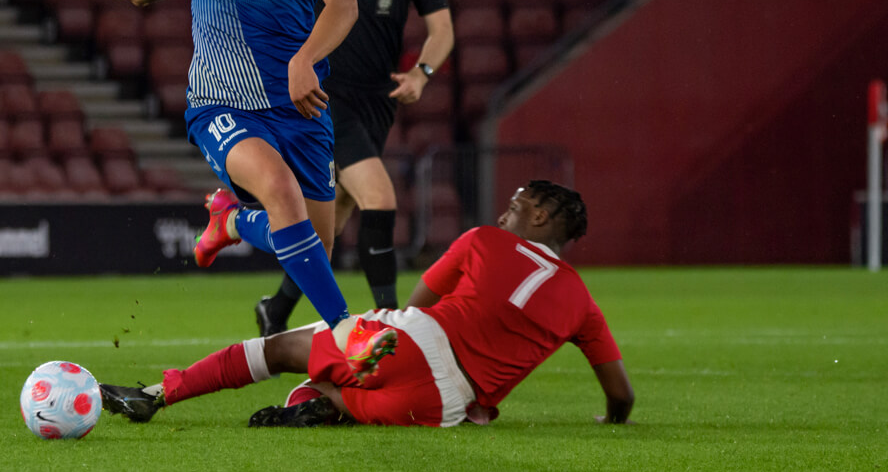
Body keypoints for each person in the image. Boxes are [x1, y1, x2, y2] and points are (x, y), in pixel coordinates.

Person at [110, 0, 395, 374]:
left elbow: (342, 6)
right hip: (220, 101)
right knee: (281, 193)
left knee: (311, 250)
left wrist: (300, 61)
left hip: (301, 106)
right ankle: (351, 332)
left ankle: (231, 220)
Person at [99, 181, 635, 428]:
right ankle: (327, 402)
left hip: (414, 343)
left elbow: (420, 304)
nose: (504, 216)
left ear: (540, 217)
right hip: (440, 408)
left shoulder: (483, 241)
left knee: (280, 348)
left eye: (516, 207)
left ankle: (155, 394)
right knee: (342, 388)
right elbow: (621, 395)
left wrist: (383, 333)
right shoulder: (582, 302)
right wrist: (610, 420)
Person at [255, 0, 455, 336]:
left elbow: (443, 30)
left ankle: (276, 310)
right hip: (323, 97)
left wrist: (422, 73)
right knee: (380, 198)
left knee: (330, 224)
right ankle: (388, 320)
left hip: (377, 102)